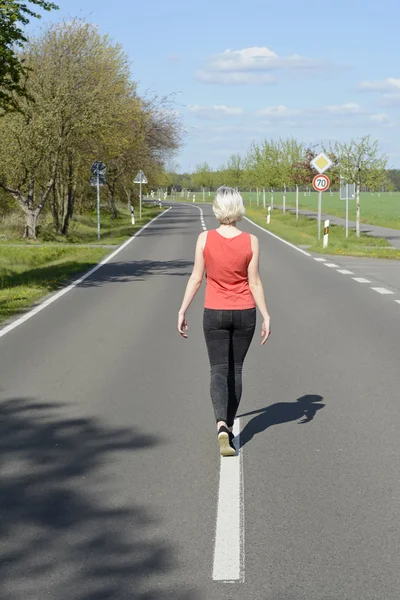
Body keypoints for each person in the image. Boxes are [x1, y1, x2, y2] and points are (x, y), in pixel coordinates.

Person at [177, 186, 271, 456]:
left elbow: (196, 278)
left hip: (214, 311)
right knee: (236, 369)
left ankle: (220, 425)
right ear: (239, 209)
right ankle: (229, 425)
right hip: (244, 312)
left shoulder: (204, 239)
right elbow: (254, 281)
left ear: (217, 209)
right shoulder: (251, 240)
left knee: (218, 369)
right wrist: (265, 314)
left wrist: (182, 309)